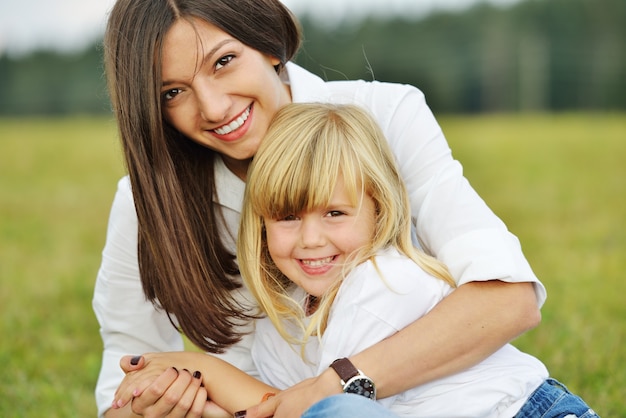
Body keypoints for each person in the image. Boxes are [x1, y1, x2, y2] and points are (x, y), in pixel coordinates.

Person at [94, 0, 546, 417]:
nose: (212, 108)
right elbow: (125, 375)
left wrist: (332, 386)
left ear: (268, 44)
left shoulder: (383, 116)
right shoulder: (146, 203)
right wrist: (148, 405)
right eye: (172, 92)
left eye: (224, 61)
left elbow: (508, 301)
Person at [111, 103, 597, 418]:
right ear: (259, 224)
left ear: (379, 211)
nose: (311, 239)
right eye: (286, 217)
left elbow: (304, 410)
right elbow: (275, 404)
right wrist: (187, 392)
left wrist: (202, 372)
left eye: (335, 213)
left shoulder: (382, 284)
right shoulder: (284, 322)